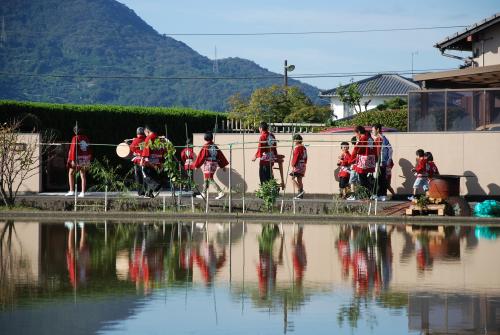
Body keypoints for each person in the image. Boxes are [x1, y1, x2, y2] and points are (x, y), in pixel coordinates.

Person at [192, 131, 228, 200]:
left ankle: (220, 192)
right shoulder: (214, 146)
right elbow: (220, 156)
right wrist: (222, 166)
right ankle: (204, 193)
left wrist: (197, 165)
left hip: (209, 163)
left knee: (209, 178)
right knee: (207, 178)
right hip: (214, 163)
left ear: (205, 138)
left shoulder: (206, 146)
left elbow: (201, 157)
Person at [348, 126, 376, 199]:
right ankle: (370, 193)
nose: (355, 135)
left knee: (362, 178)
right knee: (365, 178)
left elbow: (357, 150)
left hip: (364, 160)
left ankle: (367, 194)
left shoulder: (363, 138)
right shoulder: (370, 138)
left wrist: (351, 160)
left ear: (359, 132)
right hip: (371, 159)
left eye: (355, 133)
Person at [65, 126, 92, 197]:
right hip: (85, 159)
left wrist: (73, 160)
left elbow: (73, 149)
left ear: (75, 131)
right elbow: (89, 148)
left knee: (71, 173)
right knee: (83, 175)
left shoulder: (75, 138)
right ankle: (83, 192)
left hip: (77, 159)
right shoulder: (86, 138)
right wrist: (89, 158)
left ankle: (71, 191)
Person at [252, 122, 281, 187]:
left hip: (265, 160)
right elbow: (274, 146)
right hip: (271, 158)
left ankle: (266, 192)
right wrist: (275, 155)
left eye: (259, 128)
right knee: (269, 176)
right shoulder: (272, 135)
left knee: (263, 177)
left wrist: (255, 156)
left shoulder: (263, 136)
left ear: (261, 128)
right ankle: (272, 191)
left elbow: (260, 148)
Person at [141, 125, 164, 198]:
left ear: (147, 130)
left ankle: (157, 186)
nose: (145, 135)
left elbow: (146, 149)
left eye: (145, 133)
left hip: (150, 159)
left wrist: (142, 159)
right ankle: (150, 192)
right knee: (152, 174)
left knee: (145, 173)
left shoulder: (149, 137)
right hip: (157, 159)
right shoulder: (157, 137)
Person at [372, 123, 393, 201]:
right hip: (377, 161)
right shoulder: (376, 138)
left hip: (382, 162)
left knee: (382, 179)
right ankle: (377, 194)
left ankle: (382, 195)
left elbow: (390, 150)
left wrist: (388, 160)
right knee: (377, 178)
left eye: (373, 130)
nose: (372, 131)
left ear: (377, 129)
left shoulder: (383, 138)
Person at [289, 134, 307, 199]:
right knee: (299, 179)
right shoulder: (304, 147)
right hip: (303, 165)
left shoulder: (298, 148)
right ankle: (300, 195)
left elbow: (296, 157)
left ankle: (300, 191)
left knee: (292, 178)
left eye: (294, 140)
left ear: (296, 140)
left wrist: (293, 164)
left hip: (298, 165)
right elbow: (305, 157)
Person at [129, 127, 146, 196]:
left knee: (138, 177)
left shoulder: (136, 140)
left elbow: (131, 148)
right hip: (145, 161)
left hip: (138, 161)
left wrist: (133, 141)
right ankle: (146, 191)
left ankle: (140, 192)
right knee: (145, 176)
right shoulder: (145, 140)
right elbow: (143, 148)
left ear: (137, 133)